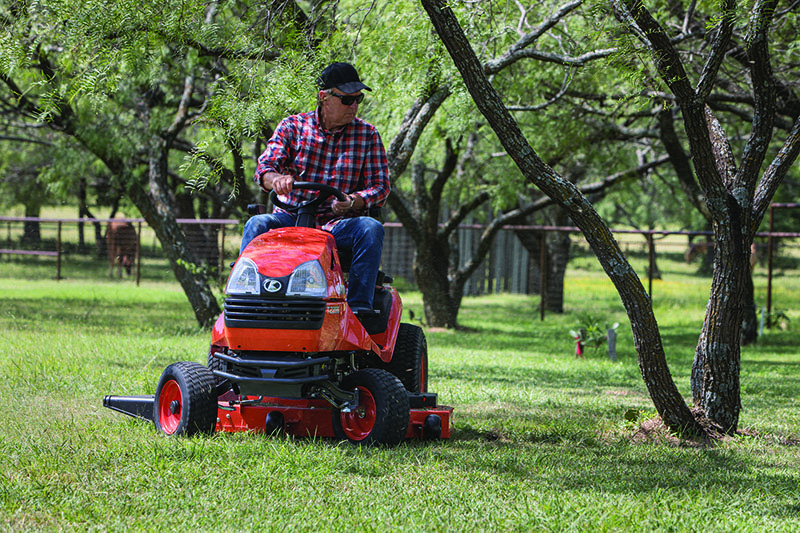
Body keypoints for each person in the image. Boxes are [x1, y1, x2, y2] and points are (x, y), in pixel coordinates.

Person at [240, 62, 390, 315]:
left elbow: (381, 187)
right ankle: (247, 300)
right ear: (324, 97)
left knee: (370, 228)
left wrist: (353, 201)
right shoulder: (292, 127)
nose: (353, 105)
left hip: (338, 224)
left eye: (358, 99)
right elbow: (264, 169)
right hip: (290, 219)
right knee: (257, 225)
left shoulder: (368, 135)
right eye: (347, 99)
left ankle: (359, 309)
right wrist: (276, 179)